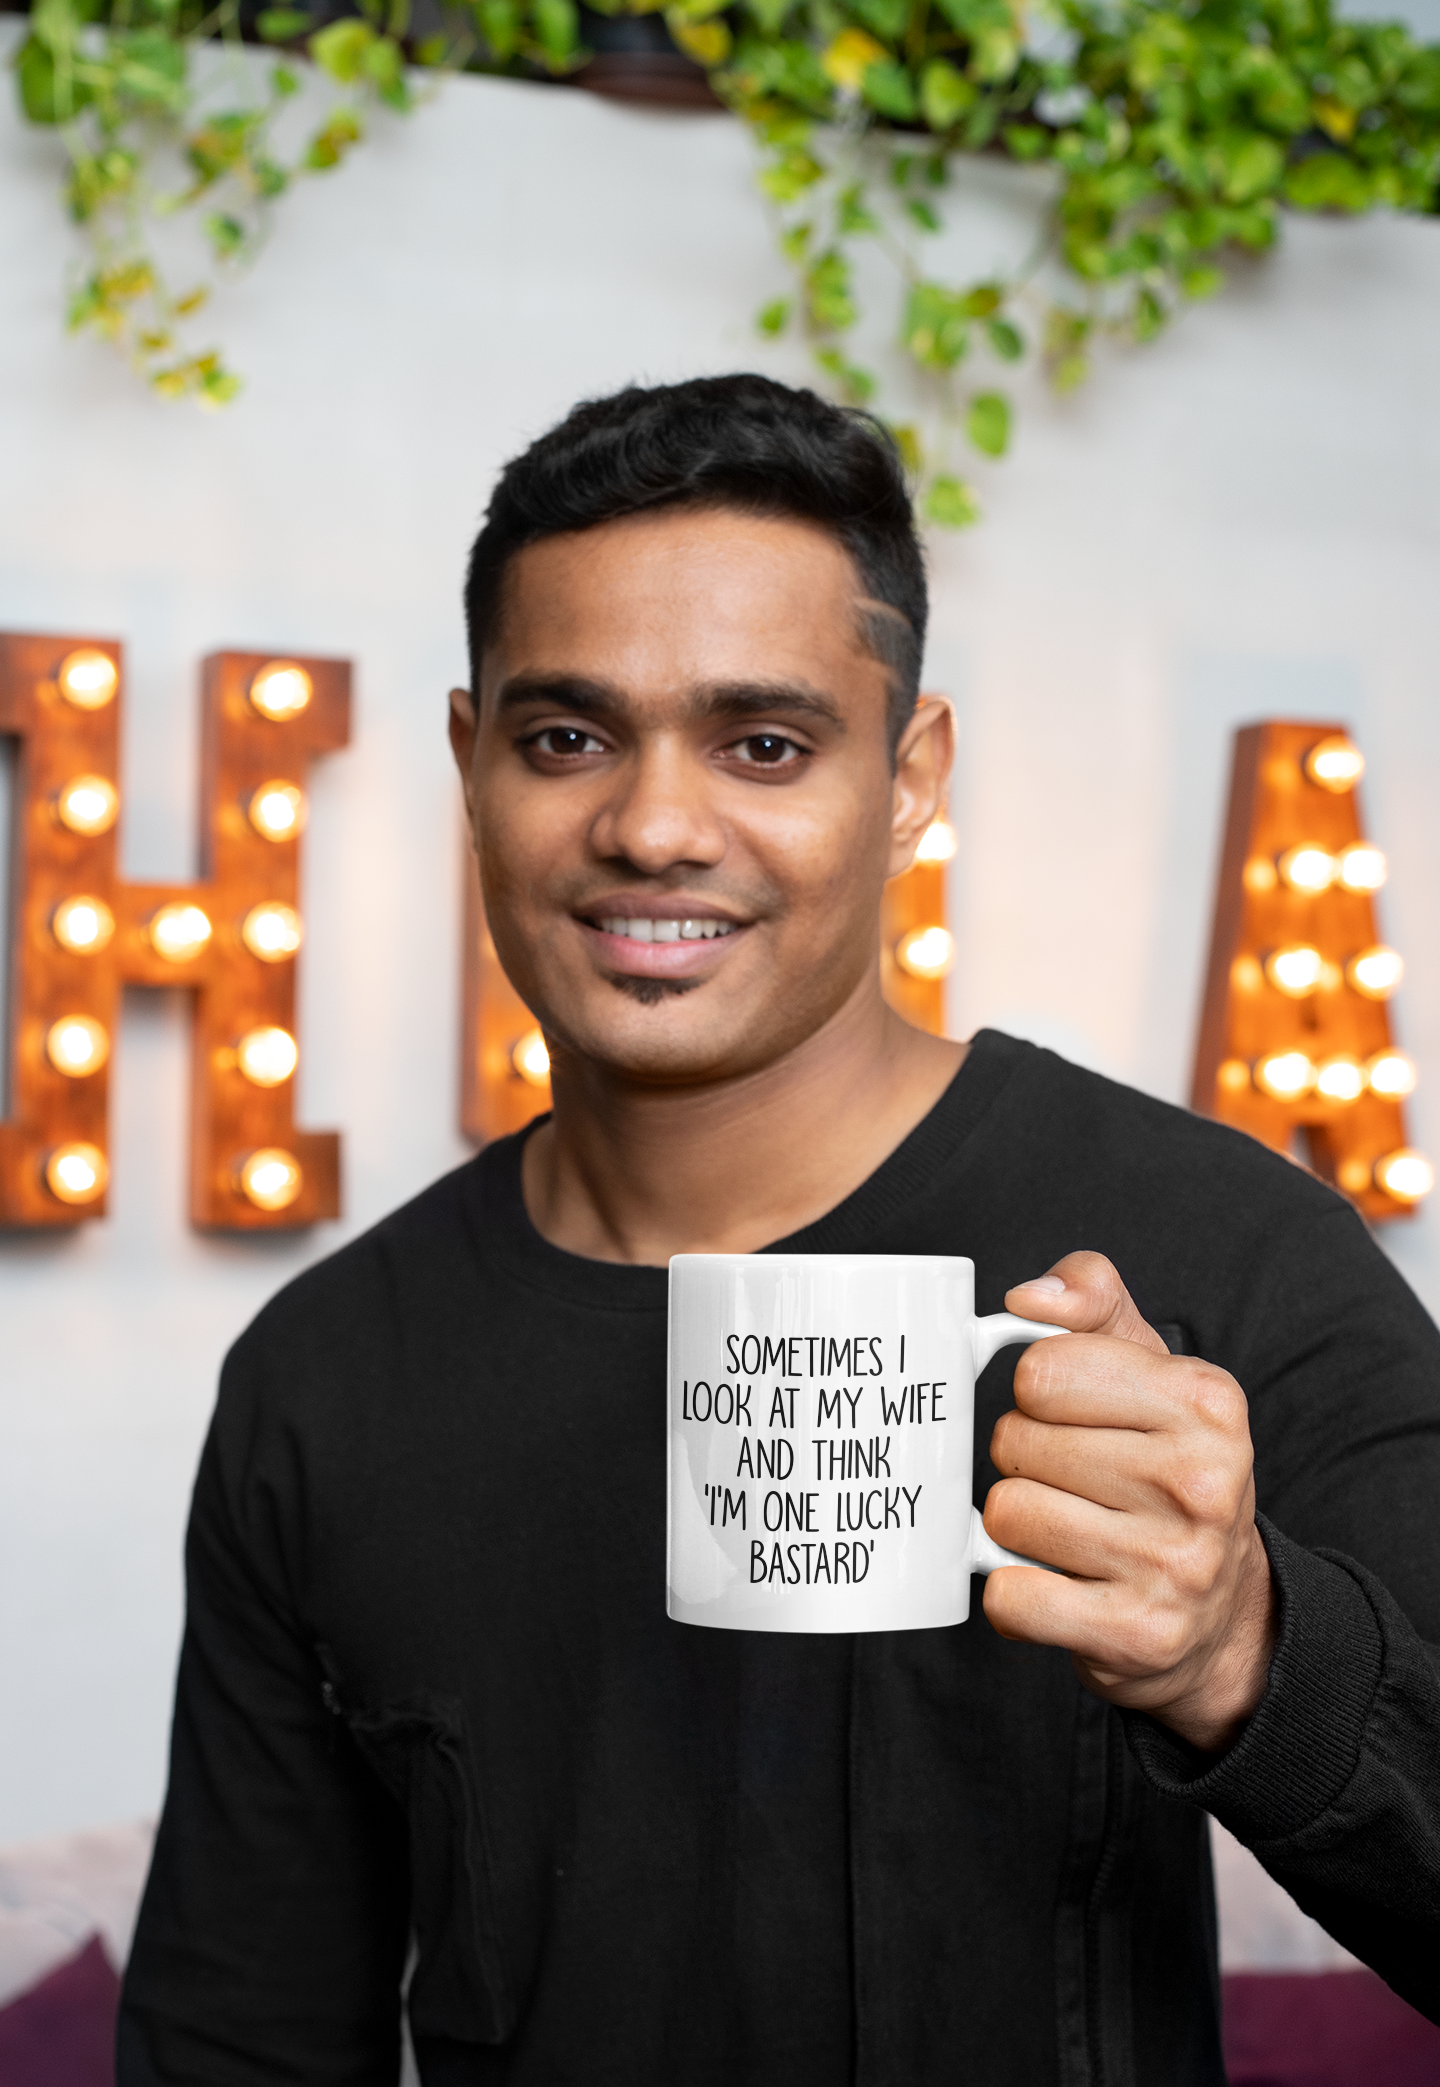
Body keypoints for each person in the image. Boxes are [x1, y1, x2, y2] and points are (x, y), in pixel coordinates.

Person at [119, 374, 1440, 2087]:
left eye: (764, 742)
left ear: (908, 778)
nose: (655, 826)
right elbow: (239, 2040)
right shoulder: (326, 1381)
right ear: (470, 765)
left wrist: (1247, 1648)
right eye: (567, 736)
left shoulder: (1213, 1252)